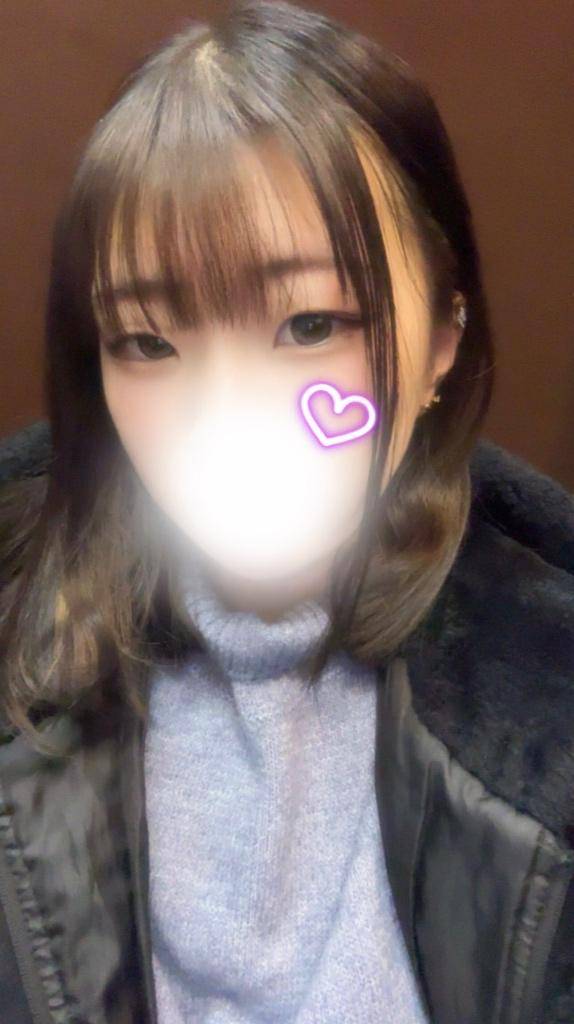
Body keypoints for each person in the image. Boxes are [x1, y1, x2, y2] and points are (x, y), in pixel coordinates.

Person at [0, 2, 573, 1022]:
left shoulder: (550, 694)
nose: (226, 412)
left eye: (310, 324)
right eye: (146, 342)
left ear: (443, 340)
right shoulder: (21, 640)